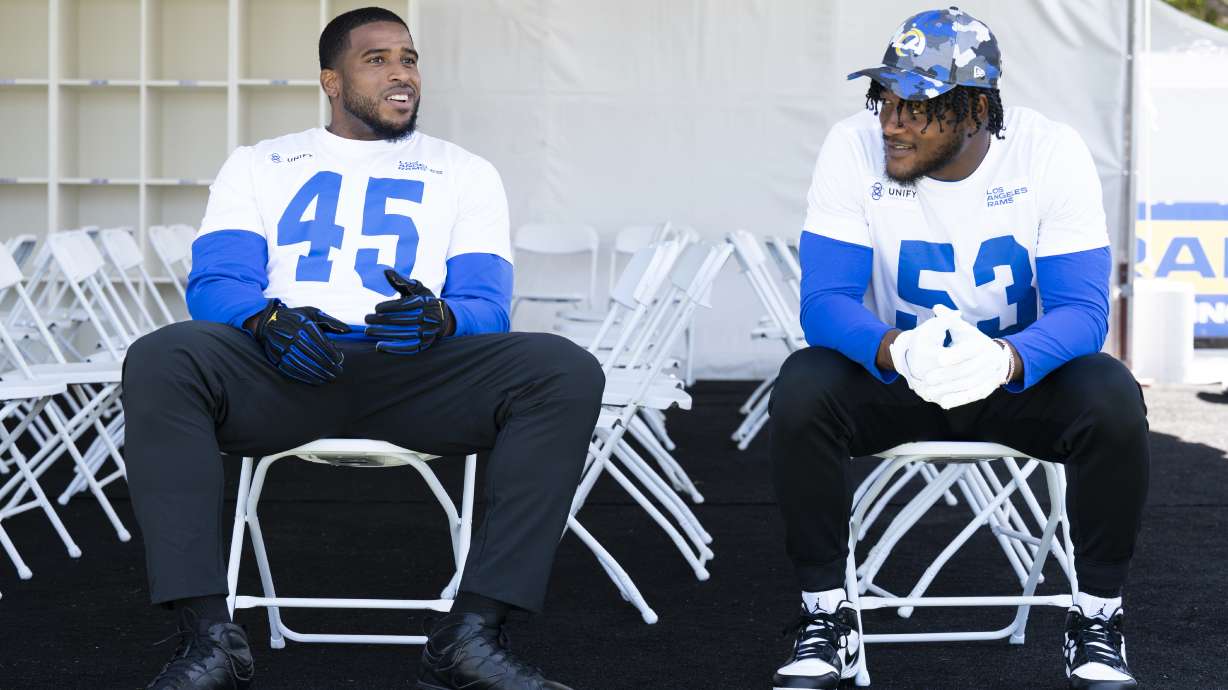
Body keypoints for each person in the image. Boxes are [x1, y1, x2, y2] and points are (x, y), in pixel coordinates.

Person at [123, 7, 602, 690]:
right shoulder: (260, 163)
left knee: (563, 369)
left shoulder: (465, 171)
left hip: (414, 374)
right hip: (287, 368)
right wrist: (264, 322)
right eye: (376, 59)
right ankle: (209, 641)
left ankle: (470, 636)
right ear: (330, 79)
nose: (401, 73)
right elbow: (217, 282)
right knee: (163, 355)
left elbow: (487, 305)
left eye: (408, 58)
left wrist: (440, 319)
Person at [769, 7, 1145, 690]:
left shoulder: (1048, 151)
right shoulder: (850, 146)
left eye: (915, 106)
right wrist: (895, 350)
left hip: (1013, 380)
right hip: (901, 376)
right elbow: (823, 304)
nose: (890, 121)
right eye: (883, 98)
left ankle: (1097, 617)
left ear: (975, 108)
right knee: (802, 384)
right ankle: (826, 616)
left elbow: (1084, 311)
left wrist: (1007, 360)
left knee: (1111, 393)